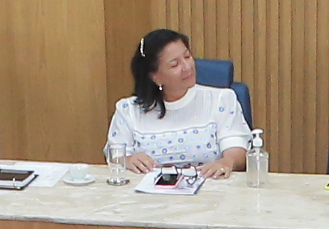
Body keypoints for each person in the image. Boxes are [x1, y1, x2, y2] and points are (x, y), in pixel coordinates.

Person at [106, 28, 251, 175]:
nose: (187, 67)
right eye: (175, 64)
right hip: (150, 189)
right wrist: (127, 160)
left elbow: (238, 148)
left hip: (210, 185)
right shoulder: (128, 110)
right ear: (155, 77)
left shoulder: (221, 99)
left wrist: (226, 162)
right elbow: (115, 155)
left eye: (187, 56)